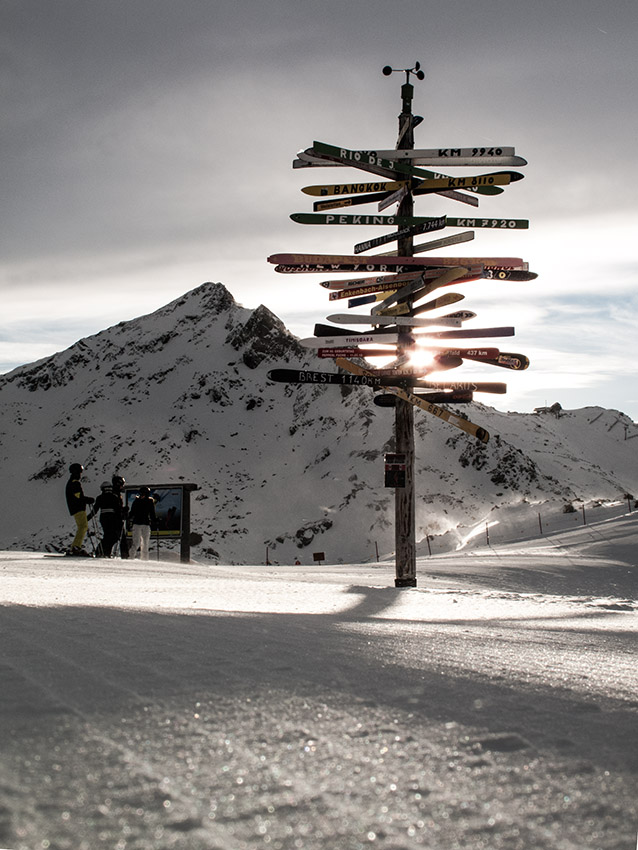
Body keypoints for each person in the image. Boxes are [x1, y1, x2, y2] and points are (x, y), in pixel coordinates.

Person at [65, 463, 94, 555]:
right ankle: (76, 546)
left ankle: (76, 546)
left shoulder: (71, 482)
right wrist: (87, 500)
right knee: (83, 526)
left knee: (82, 526)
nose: (80, 475)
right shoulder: (75, 483)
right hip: (78, 508)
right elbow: (78, 497)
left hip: (75, 508)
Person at [88, 481, 123, 557]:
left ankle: (102, 551)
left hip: (104, 517)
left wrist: (88, 517)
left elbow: (95, 509)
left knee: (108, 535)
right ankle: (104, 552)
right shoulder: (114, 497)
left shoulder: (100, 498)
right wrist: (121, 518)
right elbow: (118, 509)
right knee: (113, 536)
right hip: (113, 518)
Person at [128, 486, 157, 560]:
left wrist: (127, 517)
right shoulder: (148, 501)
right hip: (142, 524)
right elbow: (152, 514)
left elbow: (152, 513)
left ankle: (140, 558)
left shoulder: (138, 501)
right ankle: (133, 557)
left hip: (141, 524)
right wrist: (155, 521)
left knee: (143, 543)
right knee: (139, 542)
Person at [111, 474, 129, 558]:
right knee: (120, 537)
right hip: (116, 518)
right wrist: (123, 511)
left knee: (114, 537)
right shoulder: (115, 494)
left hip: (115, 517)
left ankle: (105, 552)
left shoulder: (115, 493)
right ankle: (124, 555)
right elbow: (116, 507)